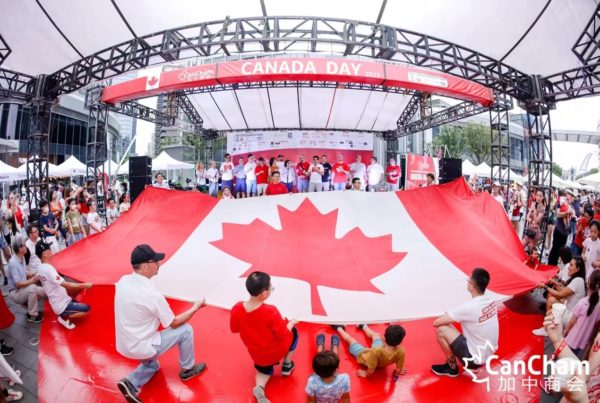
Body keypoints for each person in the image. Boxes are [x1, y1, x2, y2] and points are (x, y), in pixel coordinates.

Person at [115, 244, 207, 403]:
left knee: (153, 365)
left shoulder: (122, 281)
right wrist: (195, 307)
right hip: (143, 347)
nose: (159, 264)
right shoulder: (152, 295)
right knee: (186, 330)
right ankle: (187, 369)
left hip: (124, 344)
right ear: (144, 266)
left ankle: (131, 382)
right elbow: (173, 322)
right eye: (155, 261)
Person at [230, 271, 298, 403]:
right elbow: (283, 333)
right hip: (275, 350)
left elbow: (234, 329)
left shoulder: (237, 308)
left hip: (257, 355)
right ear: (264, 293)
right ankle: (287, 366)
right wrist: (291, 323)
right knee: (294, 333)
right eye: (270, 288)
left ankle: (259, 387)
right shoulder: (270, 311)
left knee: (263, 371)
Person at [431, 268, 499, 377]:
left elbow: (436, 323)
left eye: (468, 280)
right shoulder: (491, 299)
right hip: (488, 354)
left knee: (442, 329)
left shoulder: (469, 307)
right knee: (453, 324)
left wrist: (448, 315)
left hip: (473, 360)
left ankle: (451, 368)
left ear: (472, 286)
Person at [35, 242, 92, 330]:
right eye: (49, 249)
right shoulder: (48, 269)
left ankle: (65, 313)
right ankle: (64, 318)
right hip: (62, 305)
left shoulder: (40, 267)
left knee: (77, 295)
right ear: (44, 254)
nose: (51, 250)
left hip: (60, 300)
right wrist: (84, 285)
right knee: (87, 309)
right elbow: (67, 285)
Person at [533, 257, 586, 336]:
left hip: (570, 316)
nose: (568, 267)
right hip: (570, 312)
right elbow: (563, 290)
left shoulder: (577, 280)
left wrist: (545, 287)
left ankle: (548, 329)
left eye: (571, 265)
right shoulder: (579, 279)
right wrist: (554, 282)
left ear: (577, 269)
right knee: (551, 298)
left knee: (551, 300)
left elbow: (560, 294)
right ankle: (550, 327)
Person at [331, 323, 405, 379]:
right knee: (375, 335)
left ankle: (339, 328)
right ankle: (363, 326)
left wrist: (365, 374)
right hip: (379, 354)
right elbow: (398, 369)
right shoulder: (401, 351)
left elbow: (371, 369)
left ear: (384, 338)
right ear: (400, 341)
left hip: (364, 356)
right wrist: (398, 371)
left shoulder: (376, 351)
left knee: (351, 340)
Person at [6, 236, 45, 323]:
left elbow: (24, 271)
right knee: (32, 288)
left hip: (22, 289)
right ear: (20, 249)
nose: (26, 246)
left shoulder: (21, 257)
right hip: (15, 292)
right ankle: (32, 315)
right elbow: (18, 284)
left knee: (44, 290)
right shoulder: (13, 262)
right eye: (24, 245)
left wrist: (30, 274)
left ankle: (58, 298)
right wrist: (32, 280)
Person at [564, 270, 600, 358]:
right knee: (572, 361)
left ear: (589, 282)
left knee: (562, 360)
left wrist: (564, 333)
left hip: (571, 339)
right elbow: (596, 323)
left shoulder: (582, 303)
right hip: (583, 341)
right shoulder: (599, 304)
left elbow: (571, 322)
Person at [305, 334, 350, 403]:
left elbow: (311, 400)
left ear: (316, 372)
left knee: (320, 358)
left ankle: (320, 346)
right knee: (332, 359)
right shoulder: (344, 378)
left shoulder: (312, 382)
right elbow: (346, 398)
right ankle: (334, 346)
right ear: (336, 369)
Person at [548, 190, 575, 266]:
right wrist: (566, 213)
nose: (570, 196)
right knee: (555, 250)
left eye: (571, 195)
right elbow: (558, 214)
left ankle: (555, 268)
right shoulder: (559, 202)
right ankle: (551, 266)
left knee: (561, 251)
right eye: (569, 194)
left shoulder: (570, 205)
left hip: (565, 232)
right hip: (559, 230)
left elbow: (572, 215)